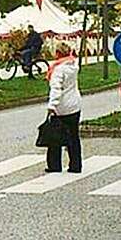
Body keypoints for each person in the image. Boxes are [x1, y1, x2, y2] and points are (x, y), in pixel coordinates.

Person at [45, 42, 82, 173]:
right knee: (73, 136)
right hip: (75, 105)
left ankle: (54, 165)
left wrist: (52, 106)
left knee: (55, 137)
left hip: (62, 108)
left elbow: (56, 89)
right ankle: (76, 165)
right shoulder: (73, 65)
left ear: (58, 53)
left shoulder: (58, 69)